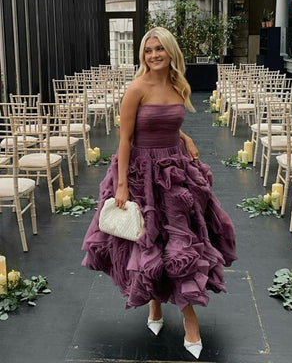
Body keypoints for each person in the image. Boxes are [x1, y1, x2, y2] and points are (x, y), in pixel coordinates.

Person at [82, 27, 236, 359]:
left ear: (169, 52)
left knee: (178, 242)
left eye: (159, 50)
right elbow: (125, 138)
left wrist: (185, 137)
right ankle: (164, 309)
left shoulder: (178, 85)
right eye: (148, 50)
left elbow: (165, 119)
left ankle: (177, 314)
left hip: (174, 169)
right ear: (143, 54)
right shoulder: (136, 87)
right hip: (141, 173)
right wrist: (122, 184)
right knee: (149, 240)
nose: (153, 55)